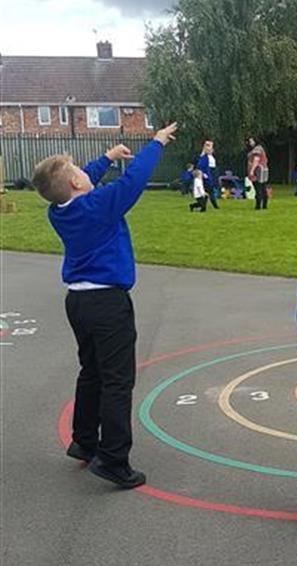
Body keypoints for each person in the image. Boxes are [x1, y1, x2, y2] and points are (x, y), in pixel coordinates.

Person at [32, 122, 179, 489]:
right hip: (106, 303)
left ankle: (84, 441)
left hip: (78, 302)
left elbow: (81, 180)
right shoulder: (99, 205)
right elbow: (134, 182)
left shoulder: (60, 209)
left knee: (92, 371)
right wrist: (156, 143)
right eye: (80, 171)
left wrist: (107, 158)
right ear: (78, 185)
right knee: (117, 380)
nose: (87, 170)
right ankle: (113, 459)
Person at [197, 139, 219, 209]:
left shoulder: (211, 157)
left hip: (211, 173)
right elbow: (201, 166)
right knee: (208, 191)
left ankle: (206, 206)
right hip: (206, 174)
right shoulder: (204, 157)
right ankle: (211, 206)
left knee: (209, 191)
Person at [248, 143, 269, 210]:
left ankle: (258, 205)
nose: (250, 142)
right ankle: (264, 205)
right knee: (263, 187)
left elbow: (256, 160)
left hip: (259, 170)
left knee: (258, 188)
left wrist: (252, 171)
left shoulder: (257, 149)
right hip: (264, 169)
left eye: (251, 140)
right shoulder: (261, 149)